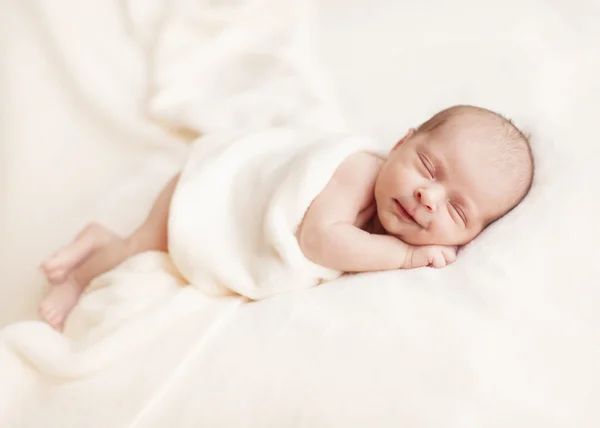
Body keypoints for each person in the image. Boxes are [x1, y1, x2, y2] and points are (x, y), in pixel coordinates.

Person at [38, 105, 535, 330]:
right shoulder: (359, 172)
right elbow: (320, 240)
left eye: (456, 209)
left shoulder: (400, 208)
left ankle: (97, 240)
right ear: (401, 143)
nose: (428, 198)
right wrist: (407, 254)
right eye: (428, 168)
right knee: (139, 248)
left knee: (139, 246)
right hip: (207, 191)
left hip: (227, 190)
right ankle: (81, 271)